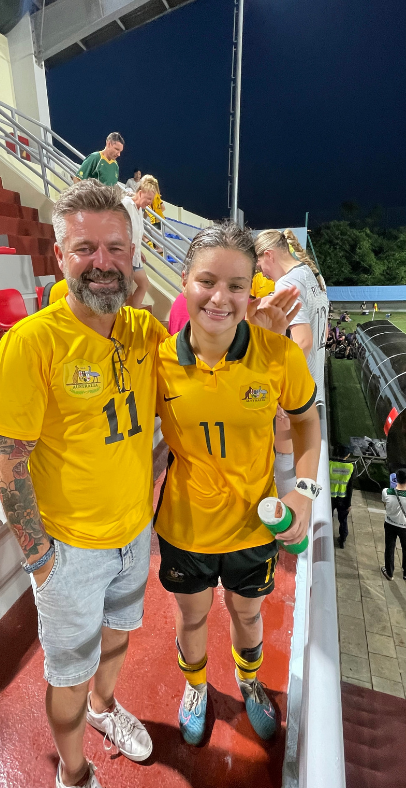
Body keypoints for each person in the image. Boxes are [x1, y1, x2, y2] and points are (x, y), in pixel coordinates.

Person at [0, 180, 300, 788]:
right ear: (59, 255)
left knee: (117, 643)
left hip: (135, 535)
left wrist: (257, 339)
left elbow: (213, 376)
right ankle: (73, 774)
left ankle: (106, 709)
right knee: (67, 675)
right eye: (84, 249)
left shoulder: (142, 332)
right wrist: (40, 557)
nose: (101, 262)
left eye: (114, 248)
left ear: (133, 256)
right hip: (68, 550)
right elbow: (7, 461)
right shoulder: (30, 344)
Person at [154, 222, 320, 748]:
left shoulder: (278, 356)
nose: (220, 297)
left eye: (236, 285)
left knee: (248, 614)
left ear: (253, 290)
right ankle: (197, 687)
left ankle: (249, 684)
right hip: (185, 528)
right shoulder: (155, 362)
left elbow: (307, 424)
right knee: (194, 615)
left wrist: (304, 492)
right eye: (207, 281)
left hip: (254, 526)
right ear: (184, 281)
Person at [255, 229, 329, 496]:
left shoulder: (287, 282)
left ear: (269, 255)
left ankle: (288, 521)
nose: (260, 272)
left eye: (259, 263)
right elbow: (325, 334)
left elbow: (304, 340)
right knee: (298, 458)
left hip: (296, 391)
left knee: (285, 460)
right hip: (313, 386)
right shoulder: (313, 276)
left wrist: (281, 384)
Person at [123, 175, 158, 309]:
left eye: (152, 200)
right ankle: (131, 316)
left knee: (142, 285)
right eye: (148, 198)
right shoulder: (126, 204)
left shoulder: (139, 210)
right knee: (130, 289)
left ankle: (132, 315)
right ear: (140, 193)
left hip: (134, 256)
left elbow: (135, 234)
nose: (150, 202)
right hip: (125, 256)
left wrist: (139, 250)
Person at [381, 470, 406, 581]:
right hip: (404, 527)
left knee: (390, 547)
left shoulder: (386, 492)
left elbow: (385, 504)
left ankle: (389, 572)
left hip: (390, 523)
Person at [330, 446, 354, 549]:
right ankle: (342, 540)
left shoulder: (330, 464)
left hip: (329, 498)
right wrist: (349, 504)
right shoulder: (351, 467)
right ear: (348, 455)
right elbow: (350, 487)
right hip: (343, 499)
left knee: (327, 519)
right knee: (343, 520)